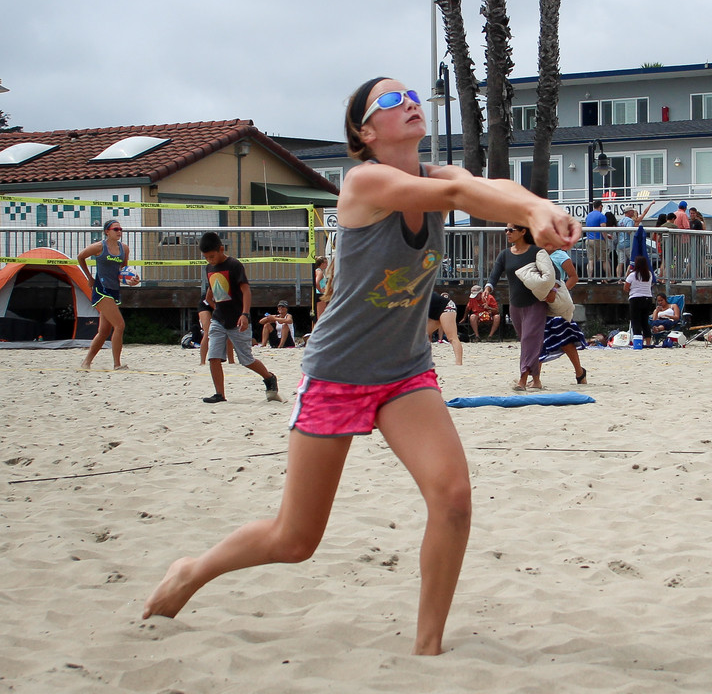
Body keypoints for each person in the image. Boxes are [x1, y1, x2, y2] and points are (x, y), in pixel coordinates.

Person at [145, 77, 578, 656]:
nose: (411, 103)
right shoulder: (364, 182)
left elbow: (482, 187)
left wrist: (539, 206)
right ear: (364, 132)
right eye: (392, 101)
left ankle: (428, 649)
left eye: (412, 96)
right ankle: (190, 571)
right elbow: (458, 195)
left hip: (405, 374)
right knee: (295, 539)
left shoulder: (440, 177)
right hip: (337, 375)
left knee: (453, 498)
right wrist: (530, 207)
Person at [197, 232, 281, 405]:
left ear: (221, 249)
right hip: (218, 320)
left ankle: (269, 377)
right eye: (206, 258)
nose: (210, 260)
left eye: (212, 256)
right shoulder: (209, 268)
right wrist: (215, 307)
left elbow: (246, 290)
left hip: (238, 319)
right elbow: (211, 292)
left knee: (246, 359)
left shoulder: (234, 265)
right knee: (214, 357)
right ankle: (219, 394)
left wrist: (245, 314)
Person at [486, 224, 552, 390]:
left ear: (523, 232)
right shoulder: (505, 254)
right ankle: (536, 380)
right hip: (515, 305)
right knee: (527, 342)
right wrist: (488, 287)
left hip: (536, 303)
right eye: (506, 230)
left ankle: (522, 380)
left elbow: (552, 274)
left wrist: (554, 290)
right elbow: (495, 274)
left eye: (511, 230)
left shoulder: (537, 252)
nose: (507, 233)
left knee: (529, 340)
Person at [77, 219, 138, 371]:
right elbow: (80, 257)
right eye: (116, 229)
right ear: (107, 231)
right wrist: (89, 278)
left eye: (120, 229)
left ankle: (86, 362)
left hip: (114, 290)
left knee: (103, 332)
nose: (119, 232)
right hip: (101, 290)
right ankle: (117, 364)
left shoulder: (124, 248)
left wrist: (131, 281)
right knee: (120, 325)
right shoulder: (99, 247)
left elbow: (123, 271)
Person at [541, 247, 588, 384]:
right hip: (541, 299)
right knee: (539, 338)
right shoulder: (538, 254)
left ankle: (579, 371)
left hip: (557, 302)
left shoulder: (560, 255)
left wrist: (560, 291)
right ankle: (535, 377)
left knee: (565, 338)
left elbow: (573, 277)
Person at [624, 253, 655, 345]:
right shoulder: (649, 274)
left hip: (635, 298)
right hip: (647, 298)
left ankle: (638, 341)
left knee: (636, 320)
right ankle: (648, 342)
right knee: (645, 321)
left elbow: (626, 288)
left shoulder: (632, 275)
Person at [426, 291, 463, 366]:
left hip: (446, 306)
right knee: (420, 337)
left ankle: (459, 363)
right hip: (435, 311)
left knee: (452, 337)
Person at [197, 295, 236, 366]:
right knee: (207, 332)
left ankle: (231, 360)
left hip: (222, 304)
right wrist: (216, 309)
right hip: (207, 303)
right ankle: (202, 361)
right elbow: (208, 298)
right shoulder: (215, 289)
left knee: (228, 331)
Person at [584, 199, 608, 279]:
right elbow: (603, 230)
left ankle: (589, 278)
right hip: (598, 239)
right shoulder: (601, 216)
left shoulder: (588, 216)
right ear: (600, 206)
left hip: (588, 239)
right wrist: (606, 240)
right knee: (605, 260)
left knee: (591, 260)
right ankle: (609, 277)